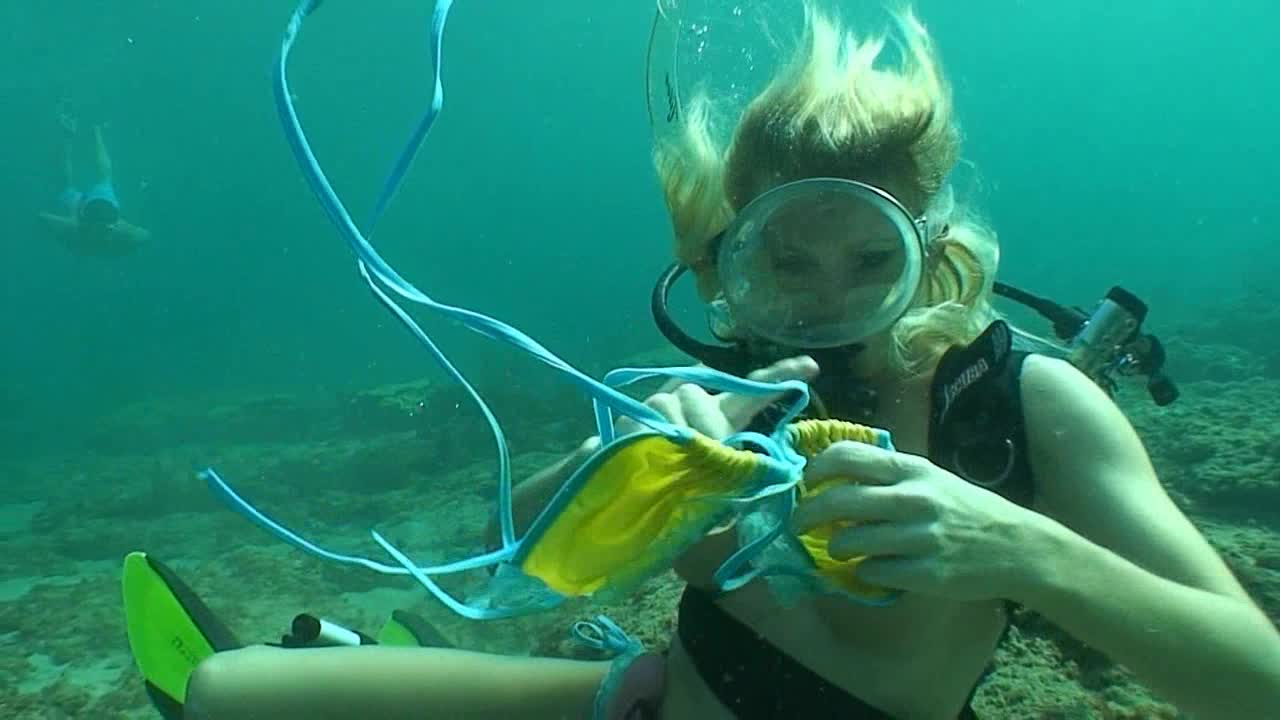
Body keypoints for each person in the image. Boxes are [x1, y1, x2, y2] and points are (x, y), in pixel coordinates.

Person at [129, 5, 1280, 720]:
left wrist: (1022, 549)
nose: (825, 299)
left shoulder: (1020, 404)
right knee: (227, 693)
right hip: (647, 699)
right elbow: (504, 563)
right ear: (728, 258)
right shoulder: (731, 391)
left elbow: (1253, 683)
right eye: (787, 259)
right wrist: (617, 466)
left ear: (927, 252)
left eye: (866, 257)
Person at [38, 112, 150, 257]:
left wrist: (124, 230)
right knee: (99, 178)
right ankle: (88, 131)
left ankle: (90, 131)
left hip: (100, 209)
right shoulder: (78, 227)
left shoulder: (102, 227)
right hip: (88, 209)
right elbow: (43, 217)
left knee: (101, 178)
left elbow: (144, 236)